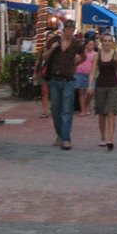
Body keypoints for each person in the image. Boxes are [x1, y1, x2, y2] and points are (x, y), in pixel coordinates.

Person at [43, 18, 84, 149]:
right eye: (68, 30)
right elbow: (44, 56)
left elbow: (83, 56)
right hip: (55, 79)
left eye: (72, 30)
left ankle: (66, 138)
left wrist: (75, 64)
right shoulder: (54, 41)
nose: (70, 32)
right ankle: (60, 135)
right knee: (55, 109)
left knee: (66, 110)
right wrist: (52, 49)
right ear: (63, 30)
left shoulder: (77, 44)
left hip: (68, 80)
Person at [88, 31, 117, 150]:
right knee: (101, 113)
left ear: (112, 43)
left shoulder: (116, 55)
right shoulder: (97, 55)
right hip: (100, 85)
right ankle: (103, 137)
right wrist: (90, 85)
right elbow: (92, 72)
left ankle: (110, 139)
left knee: (111, 112)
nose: (107, 43)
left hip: (113, 86)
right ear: (101, 43)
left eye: (109, 41)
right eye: (105, 41)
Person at [74, 38, 97, 116]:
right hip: (80, 73)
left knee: (91, 92)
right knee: (82, 93)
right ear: (86, 45)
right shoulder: (81, 53)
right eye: (90, 44)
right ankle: (83, 110)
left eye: (93, 45)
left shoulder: (95, 54)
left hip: (90, 75)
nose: (92, 46)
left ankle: (86, 105)